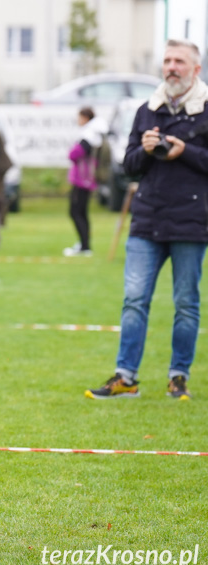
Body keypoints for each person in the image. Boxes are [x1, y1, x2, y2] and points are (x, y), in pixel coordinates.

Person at [85, 39, 208, 401]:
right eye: (167, 60)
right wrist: (146, 148)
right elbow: (129, 165)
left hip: (191, 220)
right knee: (134, 299)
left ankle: (178, 377)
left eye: (179, 61)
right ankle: (126, 377)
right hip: (147, 220)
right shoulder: (147, 110)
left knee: (186, 302)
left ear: (195, 69)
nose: (171, 66)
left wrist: (187, 152)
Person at [63, 107, 106, 257]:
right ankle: (84, 244)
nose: (78, 120)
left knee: (76, 212)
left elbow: (74, 154)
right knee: (81, 212)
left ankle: (84, 246)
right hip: (86, 180)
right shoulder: (94, 135)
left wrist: (73, 148)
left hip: (82, 180)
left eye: (80, 117)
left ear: (86, 118)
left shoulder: (88, 136)